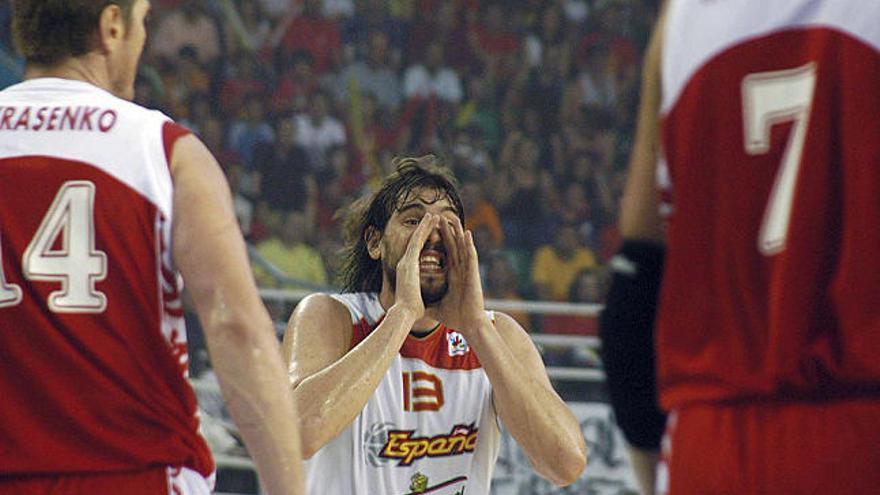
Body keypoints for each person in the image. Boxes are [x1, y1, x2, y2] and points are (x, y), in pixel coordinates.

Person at [0, 1, 304, 493]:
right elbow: (238, 329)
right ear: (111, 27)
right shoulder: (161, 149)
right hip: (134, 470)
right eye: (142, 22)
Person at [600, 1, 880, 494]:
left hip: (711, 443)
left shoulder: (681, 20)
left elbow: (636, 279)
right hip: (859, 427)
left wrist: (657, 470)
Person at [283, 156, 587, 494]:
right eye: (413, 221)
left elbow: (566, 464)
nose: (431, 233)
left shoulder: (495, 334)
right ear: (374, 242)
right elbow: (294, 435)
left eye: (447, 223)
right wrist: (402, 315)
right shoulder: (331, 316)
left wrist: (476, 328)